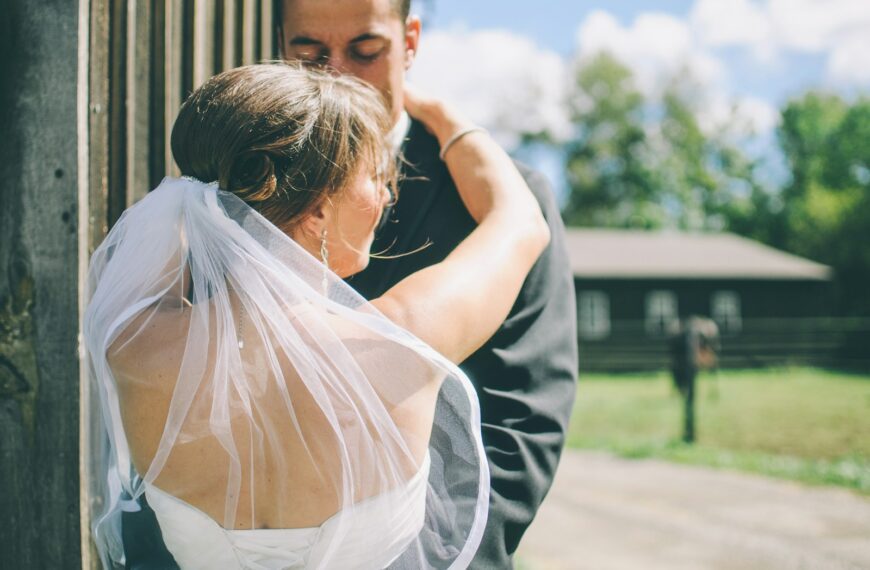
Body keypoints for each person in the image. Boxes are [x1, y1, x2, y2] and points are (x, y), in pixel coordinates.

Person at [85, 64, 548, 569]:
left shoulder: (133, 344)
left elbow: (171, 240)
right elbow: (520, 221)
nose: (387, 195)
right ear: (319, 211)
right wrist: (438, 113)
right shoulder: (401, 340)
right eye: (375, 176)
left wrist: (204, 197)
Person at [276, 1, 578, 567]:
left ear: (410, 41)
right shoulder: (244, 185)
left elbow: (523, 419)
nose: (338, 74)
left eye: (366, 51)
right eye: (310, 54)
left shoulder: (503, 196)